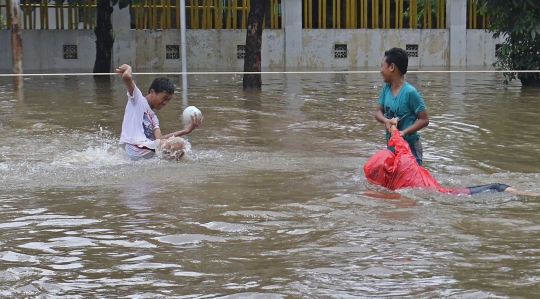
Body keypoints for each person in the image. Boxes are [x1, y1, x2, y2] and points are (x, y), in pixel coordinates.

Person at [364, 120, 539, 196]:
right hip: (450, 195)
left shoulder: (391, 185)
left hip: (440, 196)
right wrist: (394, 129)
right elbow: (401, 144)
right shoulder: (406, 162)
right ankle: (530, 194)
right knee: (496, 186)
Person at [116, 64, 203, 161]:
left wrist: (187, 130)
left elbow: (160, 139)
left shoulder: (154, 118)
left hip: (143, 150)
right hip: (135, 148)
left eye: (168, 100)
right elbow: (126, 77)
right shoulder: (138, 99)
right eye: (164, 98)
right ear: (152, 92)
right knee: (179, 144)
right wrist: (128, 68)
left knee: (178, 152)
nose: (165, 103)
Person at [375, 47, 429, 165]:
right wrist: (386, 121)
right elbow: (378, 111)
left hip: (410, 148)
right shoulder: (386, 88)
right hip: (392, 148)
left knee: (411, 183)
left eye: (382, 66)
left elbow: (424, 119)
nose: (381, 70)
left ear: (392, 67)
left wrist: (403, 132)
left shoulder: (410, 92)